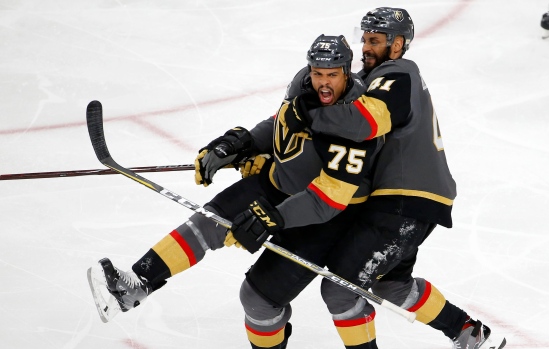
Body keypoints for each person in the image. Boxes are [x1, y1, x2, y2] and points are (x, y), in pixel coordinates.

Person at [88, 34, 380, 332]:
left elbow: (328, 199)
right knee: (206, 222)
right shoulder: (301, 83)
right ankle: (137, 284)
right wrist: (241, 144)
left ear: (347, 70)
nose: (324, 83)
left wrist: (271, 219)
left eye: (332, 74)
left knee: (257, 301)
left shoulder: (357, 115)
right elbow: (281, 123)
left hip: (320, 217)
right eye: (318, 73)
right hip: (276, 184)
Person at [277, 7, 507, 349]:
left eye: (375, 40)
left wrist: (308, 114)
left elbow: (362, 123)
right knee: (392, 284)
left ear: (397, 44)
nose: (366, 47)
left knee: (339, 287)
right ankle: (470, 333)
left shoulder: (397, 74)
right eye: (365, 39)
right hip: (406, 199)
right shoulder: (380, 77)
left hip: (404, 200)